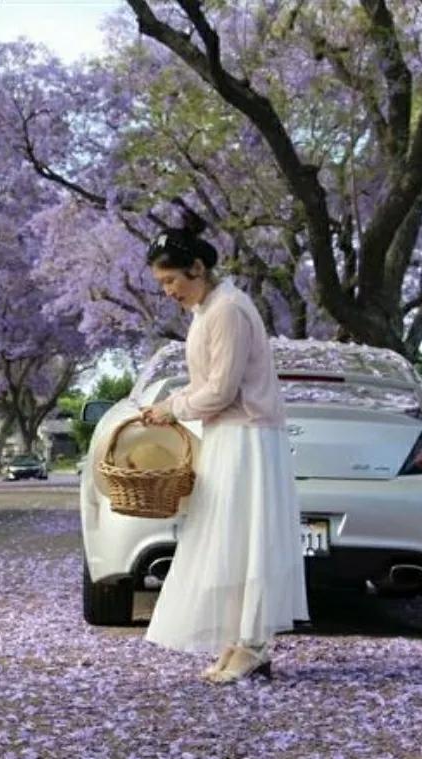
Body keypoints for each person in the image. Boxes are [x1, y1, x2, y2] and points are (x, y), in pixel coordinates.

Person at [140, 208, 310, 684]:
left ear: (197, 269)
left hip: (247, 437)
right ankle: (236, 642)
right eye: (163, 283)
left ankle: (253, 644)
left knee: (247, 541)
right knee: (231, 543)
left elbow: (220, 389)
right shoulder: (208, 311)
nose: (169, 291)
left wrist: (171, 407)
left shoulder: (229, 310)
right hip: (227, 435)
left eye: (172, 280)